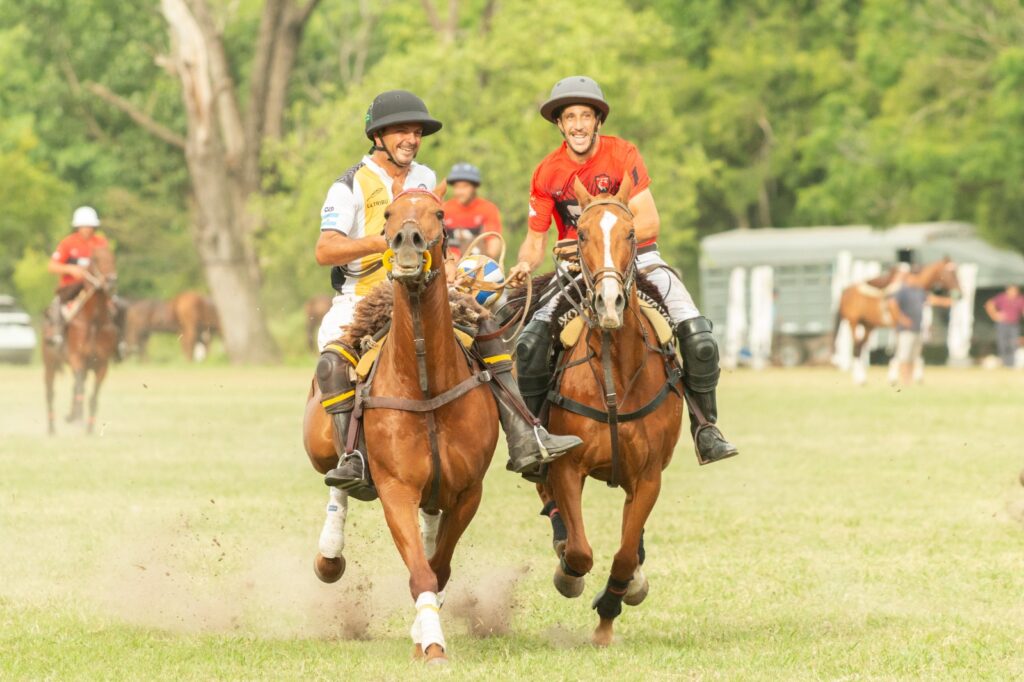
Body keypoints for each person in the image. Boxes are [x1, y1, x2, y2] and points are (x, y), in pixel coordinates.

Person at [313, 90, 579, 498]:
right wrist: (389, 241)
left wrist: (453, 267)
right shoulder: (348, 185)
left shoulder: (425, 178)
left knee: (488, 331)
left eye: (417, 132)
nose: (411, 139)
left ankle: (525, 436)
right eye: (402, 131)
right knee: (333, 362)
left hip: (426, 293)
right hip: (362, 296)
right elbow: (325, 249)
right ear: (378, 135)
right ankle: (353, 457)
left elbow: (441, 238)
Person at [506, 75, 738, 465]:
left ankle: (706, 428)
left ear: (598, 120)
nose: (578, 125)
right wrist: (525, 264)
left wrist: (606, 239)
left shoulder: (623, 154)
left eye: (586, 116)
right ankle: (536, 437)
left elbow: (649, 222)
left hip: (639, 259)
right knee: (529, 344)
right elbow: (535, 238)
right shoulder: (547, 172)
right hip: (579, 269)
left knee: (699, 337)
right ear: (559, 124)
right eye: (570, 117)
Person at [44, 206, 110, 347]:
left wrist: (105, 276)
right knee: (57, 307)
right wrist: (70, 268)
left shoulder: (101, 242)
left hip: (95, 287)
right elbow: (52, 266)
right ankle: (57, 335)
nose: (87, 229)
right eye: (84, 226)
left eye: (90, 226)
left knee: (115, 306)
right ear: (77, 227)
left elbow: (107, 264)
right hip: (72, 288)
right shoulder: (68, 243)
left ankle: (121, 343)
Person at [889, 277, 953, 385]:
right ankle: (903, 381)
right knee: (903, 356)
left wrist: (946, 302)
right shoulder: (902, 291)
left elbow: (931, 299)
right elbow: (892, 304)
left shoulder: (919, 292)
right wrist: (901, 319)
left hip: (917, 329)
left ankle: (909, 381)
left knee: (913, 357)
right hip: (905, 330)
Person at [441, 163, 503, 263]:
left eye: (465, 187)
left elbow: (494, 243)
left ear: (474, 187)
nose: (460, 192)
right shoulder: (444, 209)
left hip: (478, 263)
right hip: (448, 264)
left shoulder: (488, 209)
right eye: (456, 187)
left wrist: (482, 261)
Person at [984, 284, 1024, 367]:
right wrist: (994, 315)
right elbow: (989, 304)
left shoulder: (1020, 299)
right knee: (1003, 343)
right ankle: (1005, 362)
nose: (1013, 292)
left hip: (1014, 324)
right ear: (1007, 291)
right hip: (1003, 324)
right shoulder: (1001, 297)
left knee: (1013, 343)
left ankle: (1012, 362)